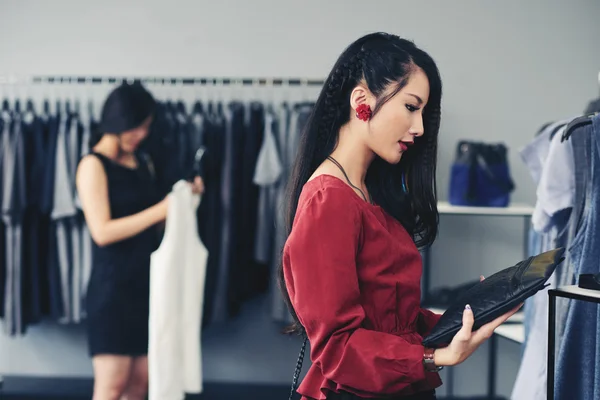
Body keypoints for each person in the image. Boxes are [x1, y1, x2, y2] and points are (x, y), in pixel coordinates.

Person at [279, 32, 521, 400]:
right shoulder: (328, 200)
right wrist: (431, 357)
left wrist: (471, 314)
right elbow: (337, 347)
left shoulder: (368, 193)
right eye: (411, 107)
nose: (420, 127)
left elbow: (393, 319)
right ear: (361, 101)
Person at [76, 82, 204, 400]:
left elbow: (154, 224)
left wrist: (186, 201)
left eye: (146, 128)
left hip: (148, 285)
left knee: (142, 382)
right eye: (137, 127)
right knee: (111, 384)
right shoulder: (92, 165)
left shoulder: (141, 162)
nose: (142, 135)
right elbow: (102, 231)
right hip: (112, 291)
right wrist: (162, 208)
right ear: (118, 121)